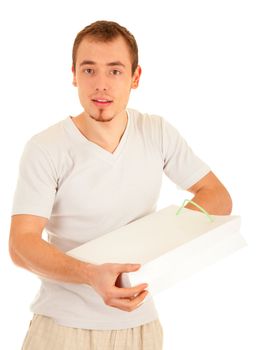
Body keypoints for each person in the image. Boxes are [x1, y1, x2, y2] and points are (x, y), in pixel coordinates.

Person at [9, 20, 232, 350]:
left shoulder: (156, 132)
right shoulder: (46, 147)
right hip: (63, 329)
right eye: (89, 71)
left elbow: (217, 197)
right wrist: (89, 274)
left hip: (140, 329)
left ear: (135, 77)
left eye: (114, 71)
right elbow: (21, 245)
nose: (101, 85)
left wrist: (158, 238)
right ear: (73, 75)